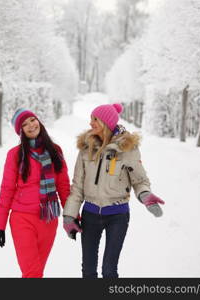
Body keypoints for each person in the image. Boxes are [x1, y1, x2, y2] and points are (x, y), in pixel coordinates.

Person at [62, 103, 165, 278]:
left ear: (105, 122)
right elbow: (77, 186)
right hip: (90, 214)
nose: (90, 123)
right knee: (88, 270)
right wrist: (69, 216)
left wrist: (145, 195)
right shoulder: (86, 149)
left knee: (109, 270)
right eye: (90, 119)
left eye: (95, 119)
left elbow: (139, 180)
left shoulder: (127, 149)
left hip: (117, 215)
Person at [0, 108, 70, 278]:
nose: (30, 125)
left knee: (36, 273)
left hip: (49, 219)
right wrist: (0, 225)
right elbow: (7, 189)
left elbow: (63, 186)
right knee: (32, 272)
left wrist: (72, 216)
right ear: (21, 132)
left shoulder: (56, 150)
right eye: (24, 125)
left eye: (32, 120)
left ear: (38, 121)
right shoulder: (15, 155)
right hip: (22, 218)